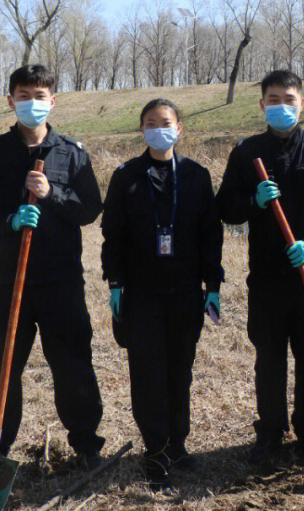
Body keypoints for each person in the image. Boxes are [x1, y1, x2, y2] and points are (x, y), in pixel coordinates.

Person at [0, 64, 105, 466]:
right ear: (10, 101)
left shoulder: (72, 154)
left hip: (61, 282)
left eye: (40, 96)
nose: (32, 103)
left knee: (73, 364)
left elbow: (91, 209)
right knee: (5, 364)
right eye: (24, 95)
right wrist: (9, 220)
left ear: (53, 101)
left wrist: (53, 193)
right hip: (11, 281)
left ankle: (86, 444)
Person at [215, 70, 304, 466]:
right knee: (269, 358)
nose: (281, 106)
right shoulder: (246, 153)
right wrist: (253, 201)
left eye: (288, 99)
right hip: (267, 278)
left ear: (302, 103)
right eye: (273, 99)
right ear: (261, 104)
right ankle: (270, 432)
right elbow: (225, 208)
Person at [101, 99, 224, 490]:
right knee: (148, 374)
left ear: (179, 128)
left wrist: (213, 287)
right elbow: (112, 235)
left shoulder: (196, 176)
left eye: (166, 122)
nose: (159, 129)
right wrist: (115, 283)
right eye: (151, 123)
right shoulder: (126, 177)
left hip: (185, 292)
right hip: (141, 295)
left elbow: (211, 236)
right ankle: (154, 451)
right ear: (141, 129)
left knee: (179, 371)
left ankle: (178, 443)